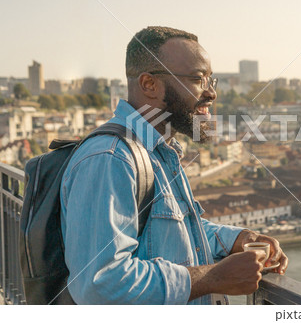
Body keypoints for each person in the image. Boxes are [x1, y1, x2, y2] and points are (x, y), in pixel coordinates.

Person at [60, 26, 288, 305]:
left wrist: (237, 238)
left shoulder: (157, 152)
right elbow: (100, 284)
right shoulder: (110, 159)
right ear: (149, 85)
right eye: (197, 79)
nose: (211, 93)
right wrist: (212, 278)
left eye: (211, 80)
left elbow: (166, 233)